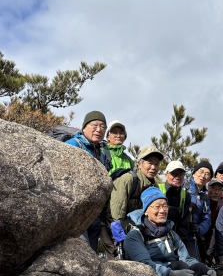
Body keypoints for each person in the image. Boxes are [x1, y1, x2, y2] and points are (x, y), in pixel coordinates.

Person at [105, 145, 164, 257]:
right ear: (139, 164)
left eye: (156, 164)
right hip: (110, 226)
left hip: (132, 229)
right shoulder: (128, 180)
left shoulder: (154, 187)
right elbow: (116, 214)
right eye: (150, 162)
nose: (153, 167)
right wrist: (120, 240)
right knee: (116, 260)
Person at [65, 110, 110, 251]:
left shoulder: (101, 152)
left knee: (92, 254)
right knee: (82, 250)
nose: (99, 129)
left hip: (94, 213)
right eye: (94, 125)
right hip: (76, 211)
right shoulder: (73, 144)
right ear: (84, 128)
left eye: (102, 126)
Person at [157, 160, 191, 244]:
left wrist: (181, 244)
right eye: (174, 173)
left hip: (176, 237)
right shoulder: (157, 189)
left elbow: (184, 223)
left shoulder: (186, 195)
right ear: (166, 175)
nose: (177, 177)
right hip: (156, 236)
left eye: (180, 174)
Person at [186, 160, 213, 261]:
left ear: (209, 178)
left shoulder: (205, 197)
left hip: (194, 236)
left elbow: (207, 218)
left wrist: (199, 229)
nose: (203, 176)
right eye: (201, 172)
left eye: (207, 174)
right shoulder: (184, 187)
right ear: (194, 173)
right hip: (180, 233)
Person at [203, 178, 223, 265]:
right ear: (207, 189)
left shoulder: (222, 207)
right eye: (213, 189)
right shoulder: (201, 203)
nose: (216, 192)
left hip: (213, 244)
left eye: (219, 190)